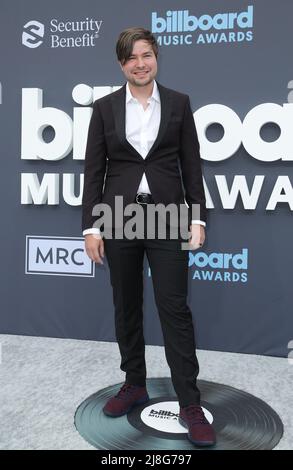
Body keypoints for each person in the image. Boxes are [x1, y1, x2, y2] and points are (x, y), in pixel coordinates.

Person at [82, 27, 216, 447]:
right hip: (118, 214)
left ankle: (189, 402)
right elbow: (93, 170)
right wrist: (91, 226)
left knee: (174, 308)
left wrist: (198, 218)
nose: (140, 64)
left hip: (169, 214)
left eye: (146, 55)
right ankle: (134, 382)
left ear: (156, 57)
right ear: (121, 64)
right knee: (127, 304)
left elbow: (192, 165)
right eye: (131, 58)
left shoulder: (178, 103)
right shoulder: (104, 108)